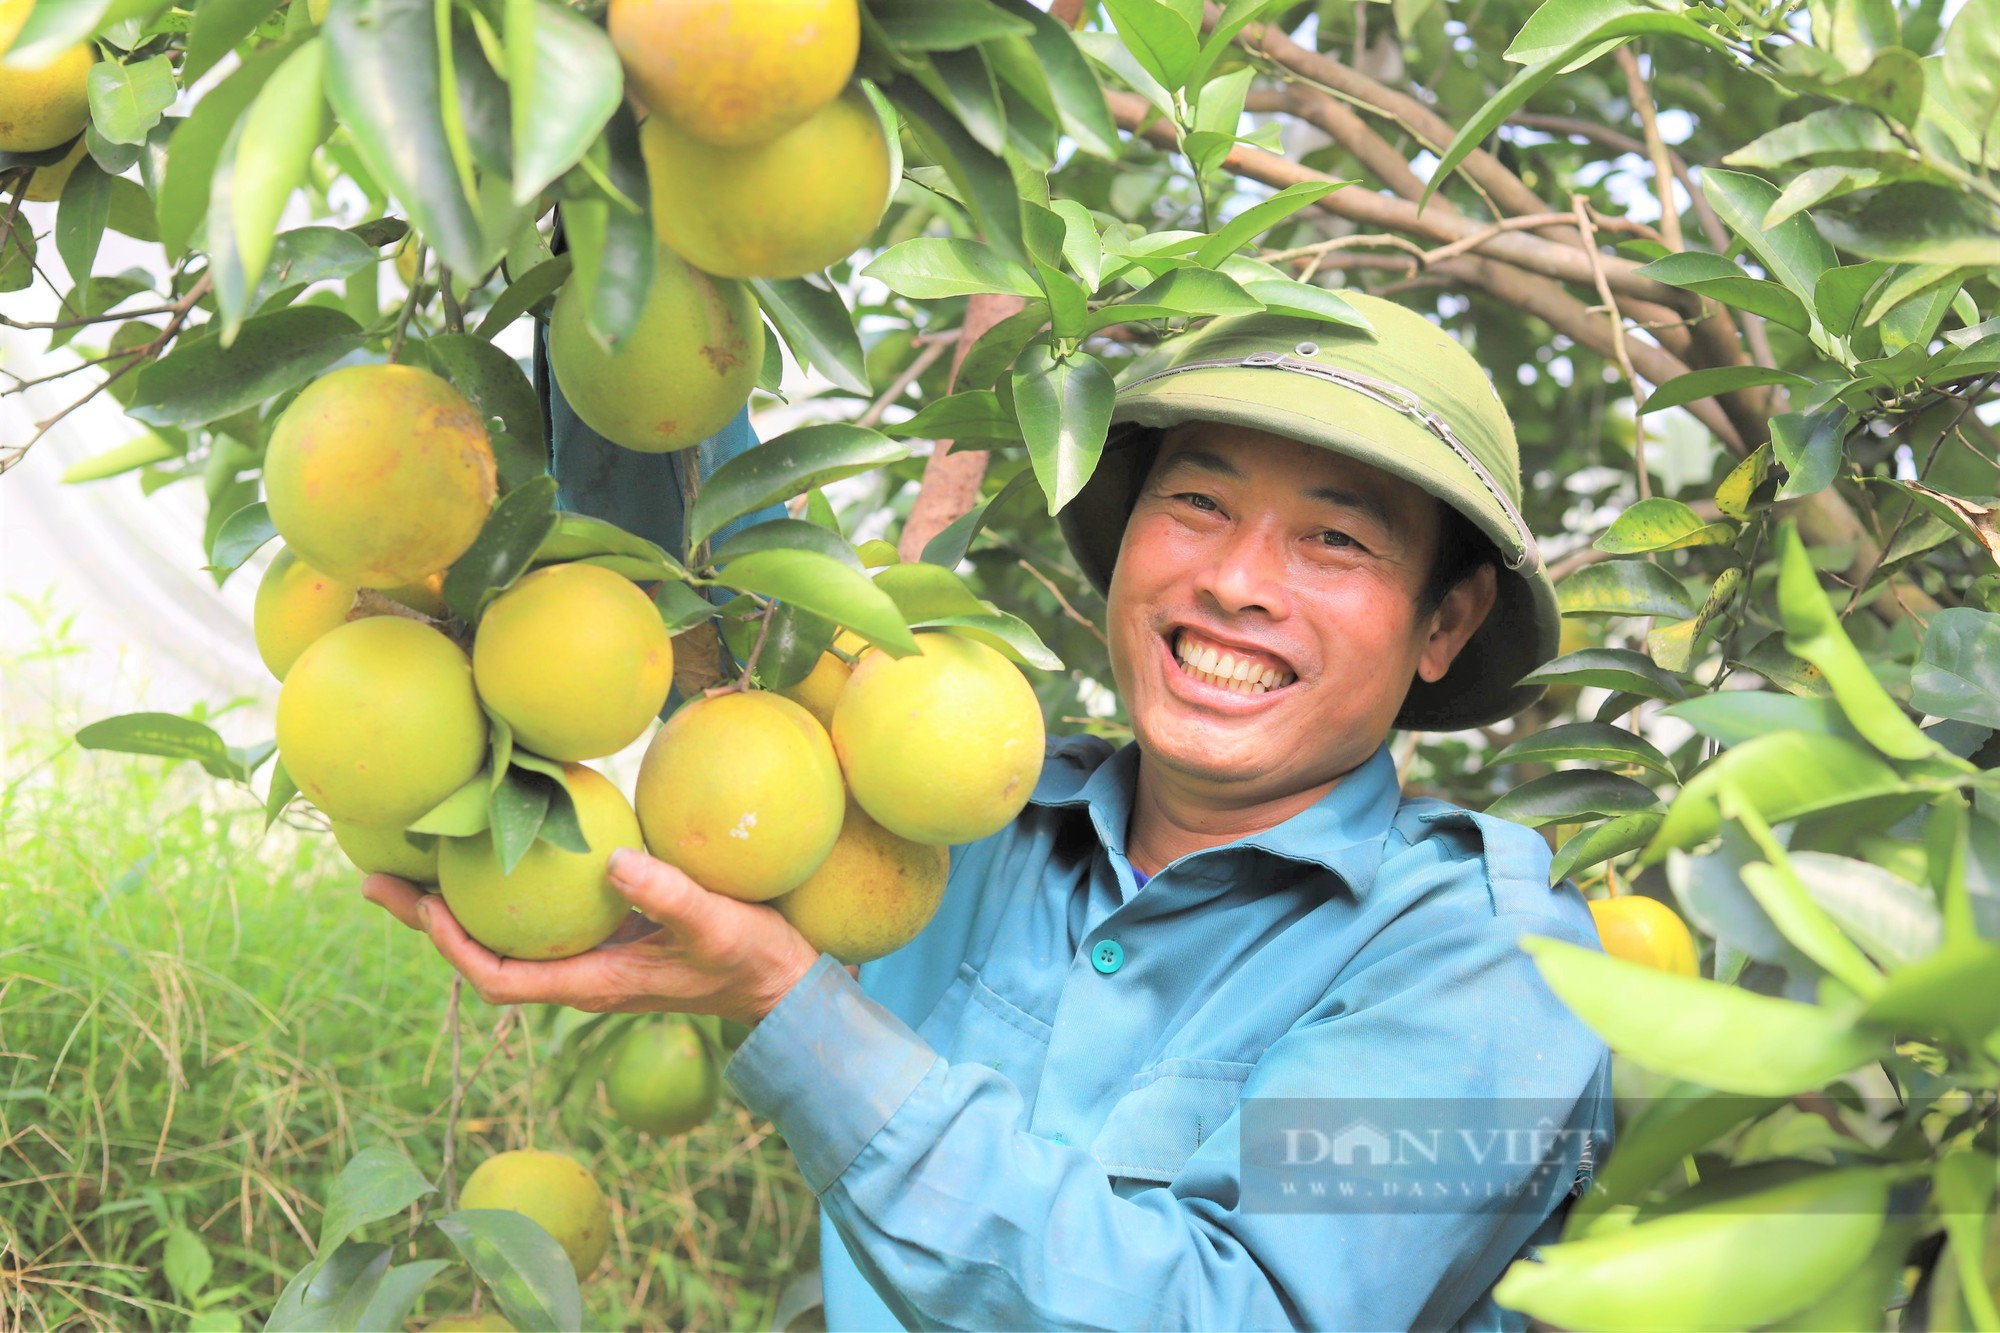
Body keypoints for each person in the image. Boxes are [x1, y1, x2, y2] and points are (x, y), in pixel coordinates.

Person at [366, 295, 1615, 1331]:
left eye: (1333, 539)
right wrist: (616, 231)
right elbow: (712, 577)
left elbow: (1228, 1311)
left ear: (1440, 624)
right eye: (1197, 504)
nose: (1235, 580)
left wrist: (787, 1009)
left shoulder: (1497, 964)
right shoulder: (951, 806)